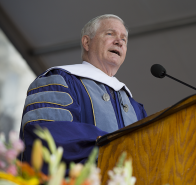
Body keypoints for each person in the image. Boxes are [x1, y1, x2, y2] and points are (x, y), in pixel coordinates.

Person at [19, 14, 147, 174]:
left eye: (124, 39)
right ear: (87, 42)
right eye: (110, 34)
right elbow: (49, 135)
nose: (119, 41)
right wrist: (116, 146)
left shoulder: (134, 107)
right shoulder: (59, 80)